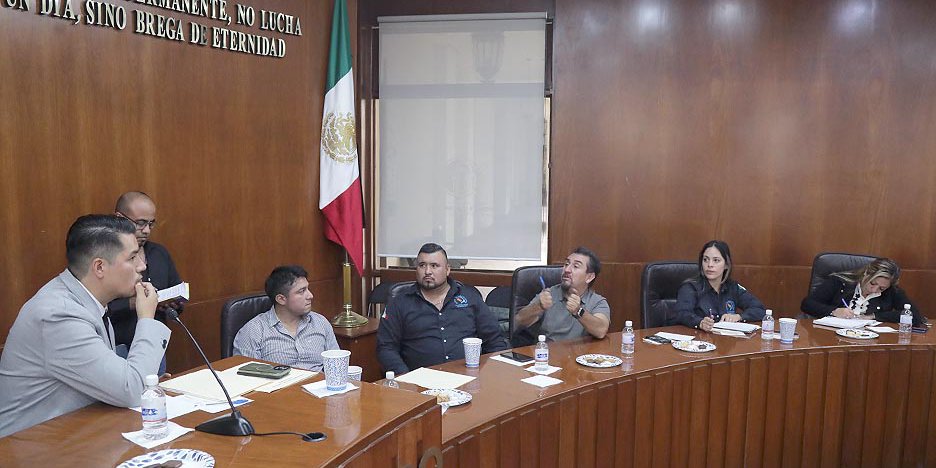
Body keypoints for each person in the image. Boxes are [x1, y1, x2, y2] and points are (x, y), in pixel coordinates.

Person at [0, 215, 170, 437]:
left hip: (75, 434)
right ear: (99, 267)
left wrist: (143, 378)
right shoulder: (58, 315)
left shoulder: (86, 300)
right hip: (30, 445)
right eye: (132, 257)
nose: (142, 266)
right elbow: (131, 390)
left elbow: (118, 382)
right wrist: (146, 318)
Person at [377, 243, 508, 375]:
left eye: (434, 266)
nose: (427, 271)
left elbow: (494, 340)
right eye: (422, 265)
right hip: (419, 381)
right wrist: (404, 378)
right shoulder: (399, 303)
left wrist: (492, 374)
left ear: (447, 269)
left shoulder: (469, 297)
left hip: (469, 377)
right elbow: (386, 348)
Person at [108, 192, 182, 374]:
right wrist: (132, 304)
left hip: (154, 346)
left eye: (151, 224)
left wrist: (172, 304)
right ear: (119, 218)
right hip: (116, 349)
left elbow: (175, 288)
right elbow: (97, 308)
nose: (147, 230)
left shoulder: (159, 253)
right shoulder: (106, 257)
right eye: (140, 223)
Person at [233, 265, 339, 371]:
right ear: (281, 299)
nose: (310, 295)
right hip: (277, 381)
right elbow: (247, 375)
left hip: (320, 381)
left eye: (307, 288)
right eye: (301, 291)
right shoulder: (253, 331)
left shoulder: (320, 322)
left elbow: (337, 365)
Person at [515, 247, 611, 342]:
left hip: (579, 351)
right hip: (547, 350)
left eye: (576, 266)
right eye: (566, 264)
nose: (567, 269)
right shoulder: (549, 294)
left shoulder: (597, 302)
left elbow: (601, 331)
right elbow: (518, 322)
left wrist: (578, 311)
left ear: (589, 277)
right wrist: (538, 306)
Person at [801, 257, 925, 326]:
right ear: (866, 273)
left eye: (881, 288)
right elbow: (807, 304)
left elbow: (914, 316)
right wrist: (834, 311)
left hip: (871, 342)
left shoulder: (891, 291)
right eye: (873, 283)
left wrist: (874, 316)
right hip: (831, 337)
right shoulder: (839, 282)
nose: (874, 290)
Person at [674, 240, 766, 331]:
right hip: (700, 338)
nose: (710, 265)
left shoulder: (733, 287)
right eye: (705, 260)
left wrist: (739, 317)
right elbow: (681, 314)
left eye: (716, 260)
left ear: (726, 265)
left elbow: (760, 310)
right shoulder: (690, 287)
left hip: (726, 338)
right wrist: (700, 323)